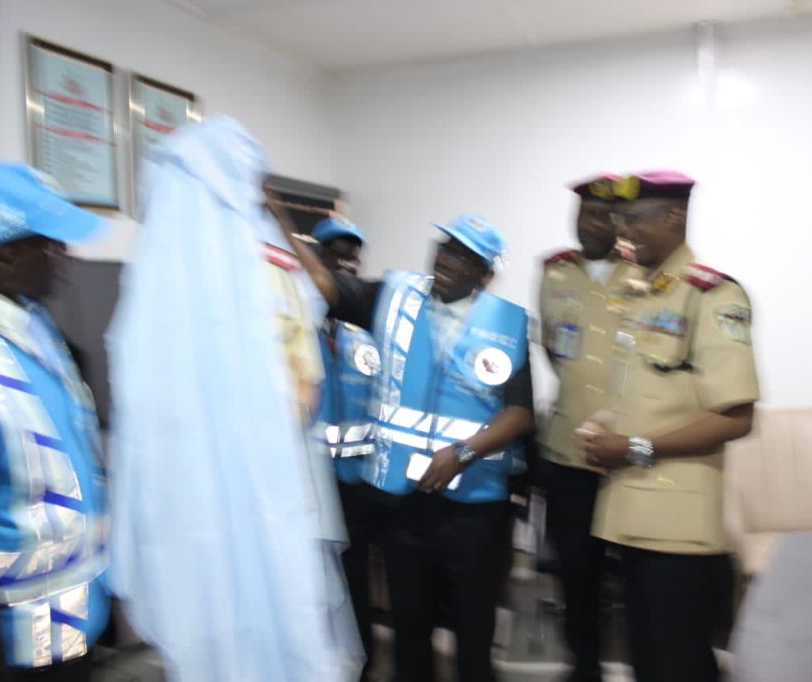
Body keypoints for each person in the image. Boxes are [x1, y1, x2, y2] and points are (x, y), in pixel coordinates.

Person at [106, 116, 361, 682]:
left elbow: (308, 355)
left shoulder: (229, 281)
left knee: (242, 616)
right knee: (247, 614)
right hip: (228, 494)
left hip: (240, 491)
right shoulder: (191, 292)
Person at [268, 205, 535, 682]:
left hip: (474, 509)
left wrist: (463, 453)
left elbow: (519, 412)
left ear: (485, 274)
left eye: (464, 257)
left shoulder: (507, 323)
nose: (447, 260)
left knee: (473, 630)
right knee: (411, 627)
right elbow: (328, 286)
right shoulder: (394, 298)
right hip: (403, 504)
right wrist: (283, 223)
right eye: (445, 248)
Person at [573, 170, 759, 682]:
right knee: (647, 662)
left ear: (675, 216)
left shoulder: (711, 295)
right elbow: (650, 394)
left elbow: (737, 418)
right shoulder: (642, 293)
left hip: (679, 530)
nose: (622, 231)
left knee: (680, 665)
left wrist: (632, 447)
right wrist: (603, 426)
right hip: (630, 514)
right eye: (618, 220)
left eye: (634, 219)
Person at [0, 162, 110, 681]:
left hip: (72, 625)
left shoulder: (34, 322)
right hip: (5, 650)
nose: (65, 255)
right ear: (3, 252)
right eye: (51, 243)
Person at [537, 172, 644, 681]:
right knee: (576, 575)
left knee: (638, 578)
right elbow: (555, 351)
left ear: (621, 221)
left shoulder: (645, 274)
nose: (591, 224)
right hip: (569, 452)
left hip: (629, 457)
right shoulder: (554, 273)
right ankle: (584, 668)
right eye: (584, 214)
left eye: (603, 215)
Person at [310, 215, 385, 681]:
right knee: (314, 585)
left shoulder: (367, 334)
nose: (347, 264)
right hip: (311, 485)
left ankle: (363, 665)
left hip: (360, 484)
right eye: (335, 255)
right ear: (316, 259)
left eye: (353, 257)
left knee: (357, 579)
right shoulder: (294, 329)